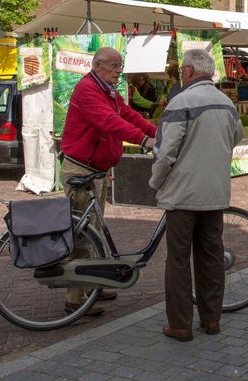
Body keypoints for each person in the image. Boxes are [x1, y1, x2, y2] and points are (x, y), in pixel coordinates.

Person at [149, 48, 244, 342]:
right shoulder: (226, 102)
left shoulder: (182, 102)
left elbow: (166, 153)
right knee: (211, 255)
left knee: (178, 259)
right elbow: (237, 136)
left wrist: (155, 182)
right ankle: (211, 320)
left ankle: (180, 325)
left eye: (182, 71)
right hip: (215, 192)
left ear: (189, 71)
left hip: (182, 194)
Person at [59, 47, 157, 315]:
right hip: (81, 171)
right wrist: (144, 140)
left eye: (120, 67)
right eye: (114, 66)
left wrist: (156, 131)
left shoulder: (108, 91)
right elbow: (108, 121)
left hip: (96, 171)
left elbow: (127, 114)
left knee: (94, 234)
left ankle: (93, 287)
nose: (118, 72)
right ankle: (74, 300)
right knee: (82, 237)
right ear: (99, 65)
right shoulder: (88, 89)